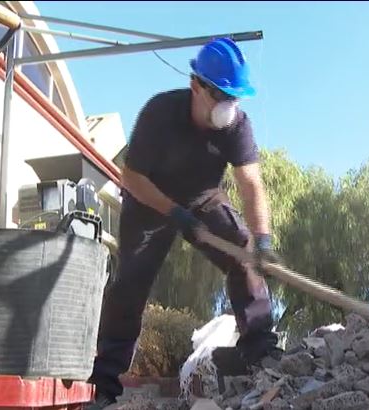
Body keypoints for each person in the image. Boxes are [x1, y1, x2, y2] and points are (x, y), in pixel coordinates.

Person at [87, 38, 281, 408]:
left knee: (242, 251)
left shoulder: (237, 126)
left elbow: (251, 184)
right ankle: (104, 382)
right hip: (149, 200)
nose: (230, 105)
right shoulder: (160, 112)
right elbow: (131, 178)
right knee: (130, 282)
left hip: (204, 198)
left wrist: (263, 241)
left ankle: (261, 351)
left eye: (235, 97)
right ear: (197, 86)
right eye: (222, 94)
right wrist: (174, 212)